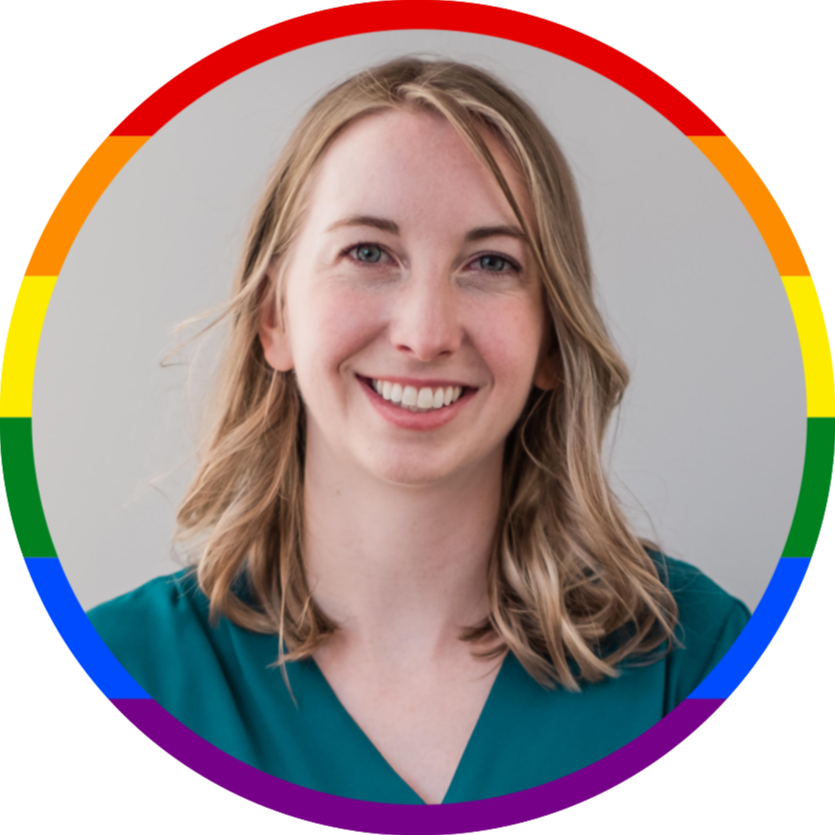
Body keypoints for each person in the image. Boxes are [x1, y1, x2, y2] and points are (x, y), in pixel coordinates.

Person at [87, 57, 751, 805]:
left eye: (491, 262)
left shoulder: (693, 662)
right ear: (275, 317)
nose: (426, 333)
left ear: (552, 340)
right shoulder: (124, 672)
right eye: (368, 253)